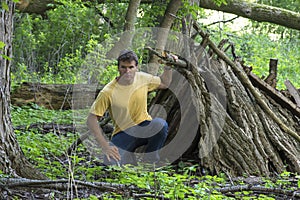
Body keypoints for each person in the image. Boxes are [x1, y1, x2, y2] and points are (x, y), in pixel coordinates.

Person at [87, 49, 175, 165]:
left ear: (136, 68)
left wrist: (168, 67)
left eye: (131, 67)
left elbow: (164, 83)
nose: (127, 71)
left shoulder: (142, 78)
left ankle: (150, 162)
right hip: (123, 133)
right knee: (110, 164)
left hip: (144, 126)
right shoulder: (108, 92)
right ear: (118, 68)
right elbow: (91, 120)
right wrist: (105, 146)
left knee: (160, 125)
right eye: (123, 67)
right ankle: (128, 156)